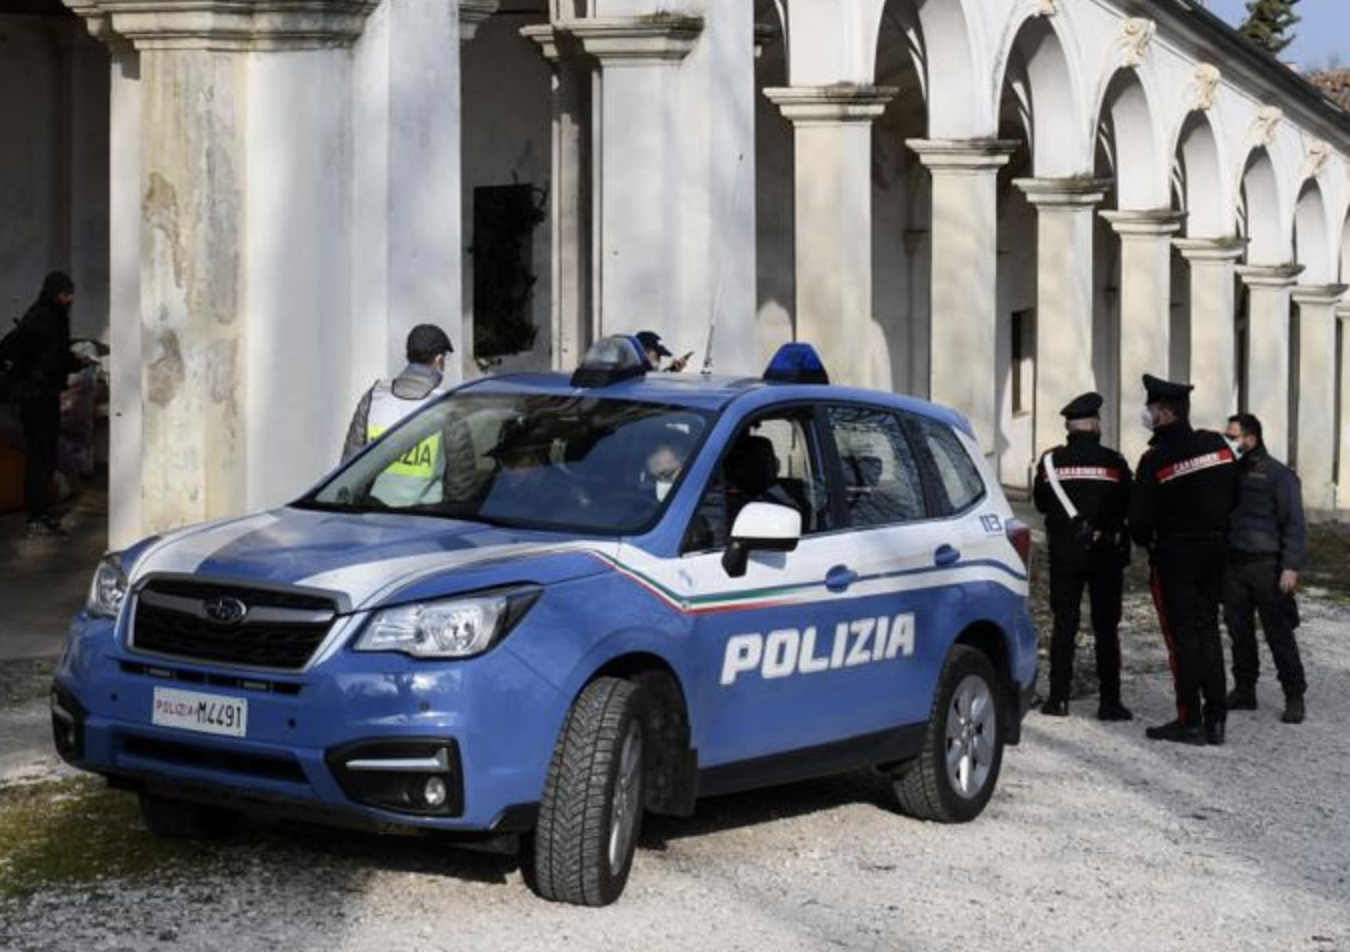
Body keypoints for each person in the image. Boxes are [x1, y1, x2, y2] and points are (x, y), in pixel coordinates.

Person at [1130, 374, 1241, 746]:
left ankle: (1189, 719)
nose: (1147, 415)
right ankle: (1217, 720)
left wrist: (1147, 540)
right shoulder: (1219, 444)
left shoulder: (1154, 459)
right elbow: (1236, 494)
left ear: (1163, 414)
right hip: (1216, 552)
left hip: (1176, 557)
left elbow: (1140, 524)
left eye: (1151, 409)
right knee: (1209, 630)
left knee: (1183, 639)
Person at [1032, 392, 1133, 721]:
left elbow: (1042, 503)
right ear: (1094, 425)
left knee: (1064, 624)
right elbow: (1126, 504)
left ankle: (1057, 699)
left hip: (1065, 553)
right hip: (1105, 552)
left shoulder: (1049, 463)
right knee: (1106, 627)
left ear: (1070, 427)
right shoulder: (1114, 462)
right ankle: (1110, 702)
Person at [1222, 413, 1308, 725]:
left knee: (1279, 633)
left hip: (1267, 566)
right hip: (1234, 564)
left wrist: (1291, 567)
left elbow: (1295, 525)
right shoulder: (1229, 471)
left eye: (1234, 436)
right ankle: (1245, 690)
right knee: (1238, 631)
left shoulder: (1279, 475)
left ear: (1251, 439)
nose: (1229, 441)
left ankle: (1294, 694)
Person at [12, 272, 84, 538]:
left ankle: (38, 511)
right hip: (39, 396)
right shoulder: (50, 319)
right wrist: (77, 362)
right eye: (67, 293)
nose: (71, 298)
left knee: (39, 455)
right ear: (56, 293)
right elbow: (53, 361)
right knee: (41, 456)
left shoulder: (37, 313)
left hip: (33, 395)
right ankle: (38, 516)